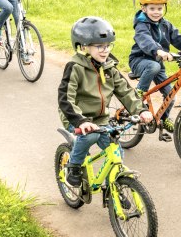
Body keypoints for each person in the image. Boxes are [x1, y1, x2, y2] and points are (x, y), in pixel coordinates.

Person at [58, 16, 153, 187]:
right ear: (83, 47)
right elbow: (65, 98)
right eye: (99, 46)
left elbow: (126, 92)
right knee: (90, 135)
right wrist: (81, 121)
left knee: (115, 151)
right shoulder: (75, 67)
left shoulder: (109, 68)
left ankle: (115, 186)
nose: (105, 50)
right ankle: (74, 166)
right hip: (76, 118)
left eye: (108, 45)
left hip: (101, 119)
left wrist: (141, 110)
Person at [128, 0, 181, 139]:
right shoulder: (141, 25)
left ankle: (164, 119)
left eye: (160, 8)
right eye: (152, 8)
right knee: (154, 65)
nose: (156, 12)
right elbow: (145, 40)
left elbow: (179, 39)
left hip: (158, 64)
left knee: (170, 94)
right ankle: (139, 93)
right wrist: (158, 51)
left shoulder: (166, 25)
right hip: (140, 61)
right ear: (143, 8)